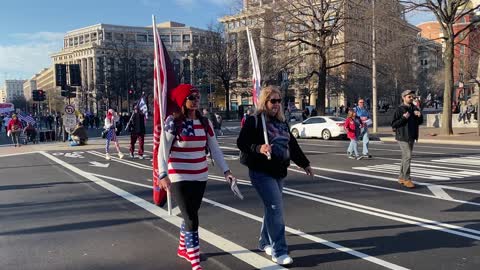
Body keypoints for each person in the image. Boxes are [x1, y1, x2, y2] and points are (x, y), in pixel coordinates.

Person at [157, 84, 236, 270]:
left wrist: (226, 171)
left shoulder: (205, 122)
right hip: (179, 176)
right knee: (191, 218)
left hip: (200, 176)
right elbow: (163, 150)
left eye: (197, 97)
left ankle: (183, 248)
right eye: (191, 98)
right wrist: (163, 174)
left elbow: (215, 149)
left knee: (189, 215)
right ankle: (195, 261)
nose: (195, 101)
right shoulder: (172, 122)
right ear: (183, 101)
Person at [237, 86, 313, 266]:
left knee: (271, 209)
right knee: (276, 209)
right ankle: (279, 251)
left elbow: (292, 146)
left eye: (279, 101)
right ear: (265, 101)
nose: (277, 104)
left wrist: (305, 164)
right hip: (261, 172)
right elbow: (242, 142)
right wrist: (259, 148)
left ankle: (264, 242)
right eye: (273, 101)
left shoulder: (282, 122)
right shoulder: (254, 120)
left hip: (279, 171)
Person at [391, 89, 423, 189]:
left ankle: (401, 177)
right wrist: (404, 118)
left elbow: (419, 122)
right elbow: (393, 124)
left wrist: (419, 116)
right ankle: (407, 178)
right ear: (403, 98)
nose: (411, 98)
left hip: (412, 136)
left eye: (412, 97)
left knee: (405, 157)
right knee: (408, 156)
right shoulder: (399, 109)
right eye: (409, 96)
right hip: (402, 136)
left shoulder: (414, 108)